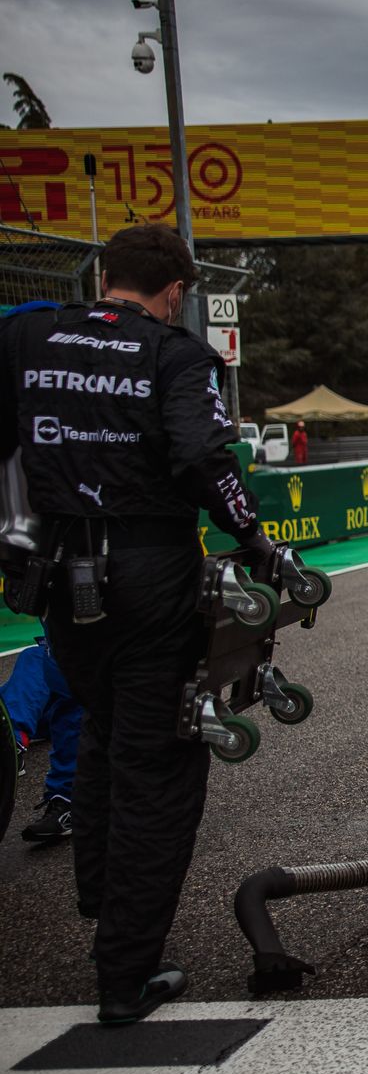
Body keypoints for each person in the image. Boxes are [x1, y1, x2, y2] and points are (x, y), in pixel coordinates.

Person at [0, 222, 275, 1023]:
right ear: (175, 290)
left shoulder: (26, 336)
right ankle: (126, 974)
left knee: (102, 727)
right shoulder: (175, 353)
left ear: (103, 277)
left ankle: (102, 901)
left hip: (53, 576)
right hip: (150, 576)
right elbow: (202, 458)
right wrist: (256, 537)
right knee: (160, 762)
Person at [3, 639, 83, 844]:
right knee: (38, 658)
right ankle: (10, 739)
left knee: (37, 657)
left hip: (92, 700)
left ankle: (12, 743)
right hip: (42, 707)